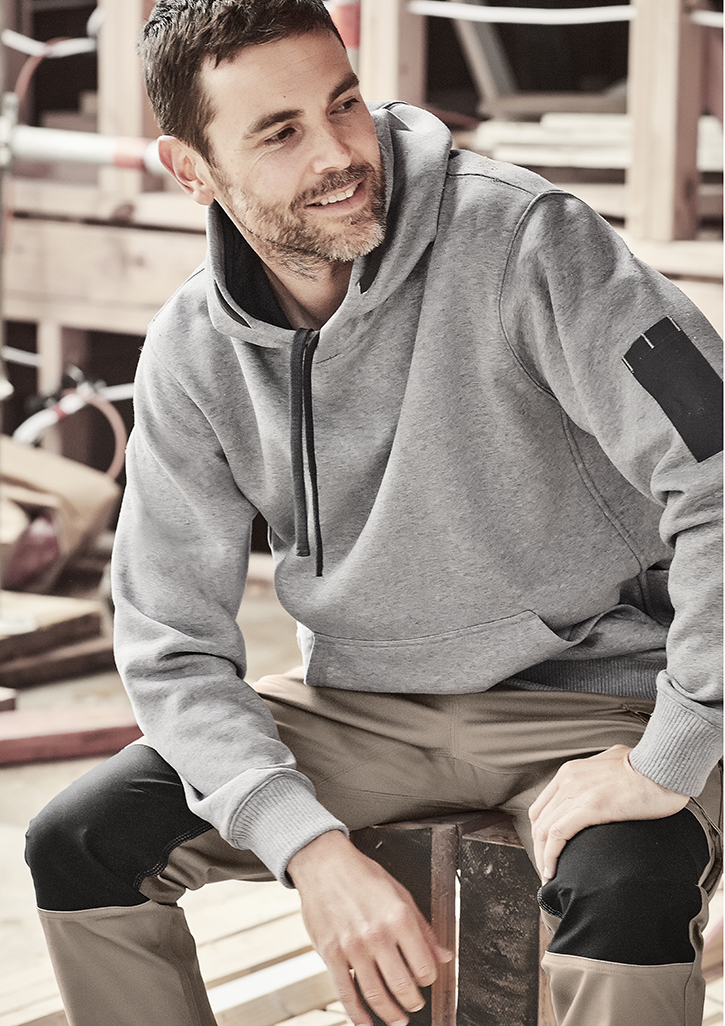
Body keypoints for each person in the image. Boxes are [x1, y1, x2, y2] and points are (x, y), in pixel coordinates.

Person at [25, 2, 722, 1025]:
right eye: (281, 132)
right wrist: (308, 849)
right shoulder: (193, 352)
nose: (341, 152)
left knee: (625, 895)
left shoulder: (528, 240)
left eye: (342, 103)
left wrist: (677, 745)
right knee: (80, 845)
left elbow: (717, 474)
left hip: (599, 699)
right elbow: (171, 646)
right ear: (191, 169)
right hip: (363, 711)